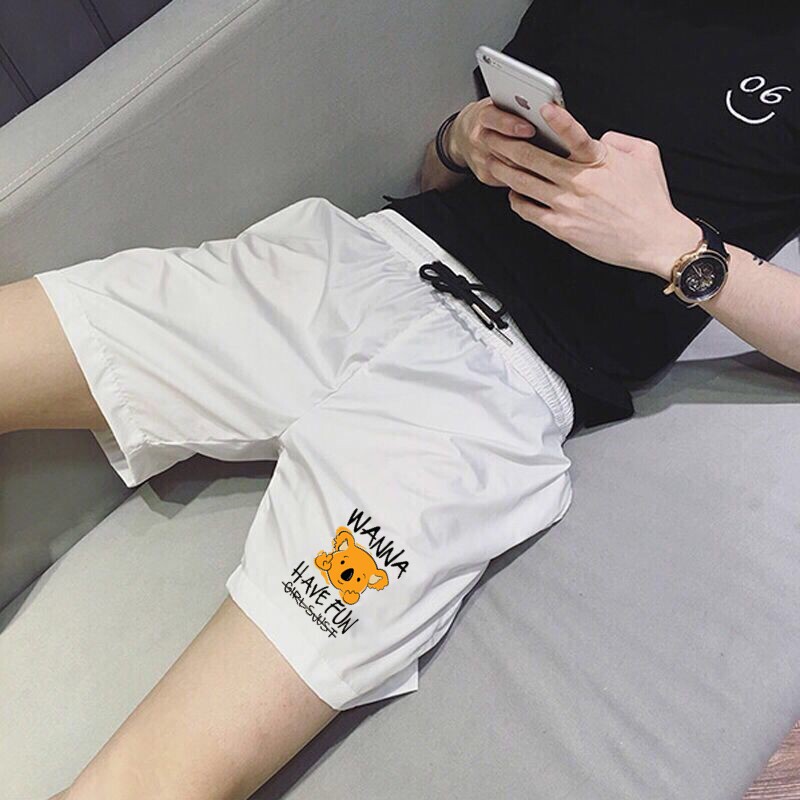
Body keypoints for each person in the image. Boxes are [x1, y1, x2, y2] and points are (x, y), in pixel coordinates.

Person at [2, 1, 797, 798]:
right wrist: (460, 142)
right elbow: (439, 172)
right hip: (361, 261)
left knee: (154, 780)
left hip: (489, 401)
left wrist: (676, 248)